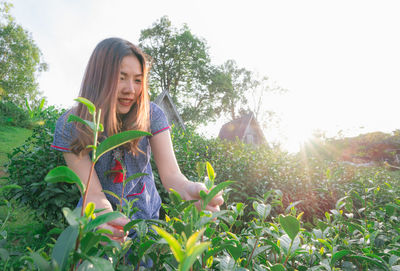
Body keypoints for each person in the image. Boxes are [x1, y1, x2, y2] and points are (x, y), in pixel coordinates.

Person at [51, 37, 224, 244]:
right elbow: (93, 193)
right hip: (97, 217)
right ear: (98, 78)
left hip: (144, 215)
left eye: (137, 80)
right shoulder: (71, 124)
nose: (130, 90)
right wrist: (106, 217)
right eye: (121, 77)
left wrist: (188, 190)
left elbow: (172, 176)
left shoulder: (152, 115)